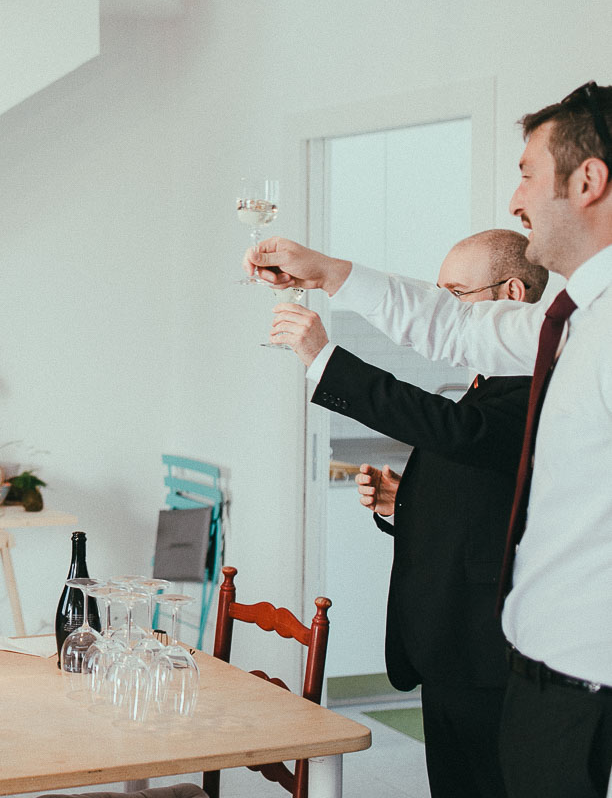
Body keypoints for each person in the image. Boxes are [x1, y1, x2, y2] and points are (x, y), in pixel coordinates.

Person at [247, 81, 612, 798]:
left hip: (581, 666)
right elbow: (449, 326)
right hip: (532, 656)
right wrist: (322, 269)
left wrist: (323, 355)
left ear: (589, 181)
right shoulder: (570, 320)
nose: (515, 197)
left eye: (529, 173)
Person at [269, 229, 545, 798]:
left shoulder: (542, 382)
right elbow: (486, 490)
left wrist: (324, 358)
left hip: (490, 651)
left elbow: (453, 430)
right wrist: (406, 501)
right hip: (450, 647)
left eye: (456, 296)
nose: (444, 313)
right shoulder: (487, 380)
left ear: (512, 293)